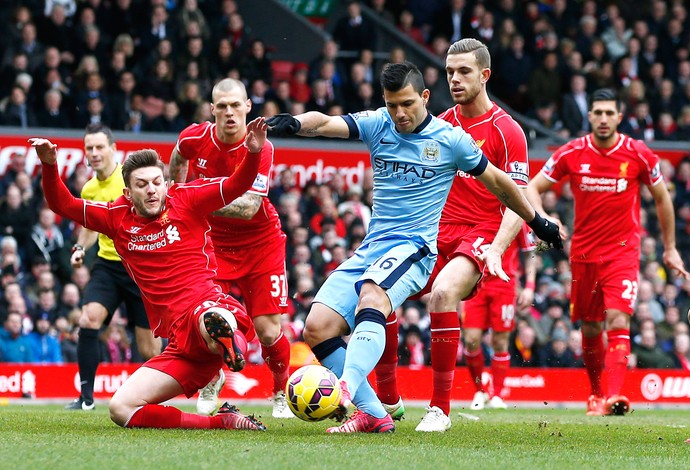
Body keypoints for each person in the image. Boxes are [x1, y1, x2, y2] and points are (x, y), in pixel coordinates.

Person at [266, 61, 561, 433]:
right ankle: (374, 414)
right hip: (373, 247)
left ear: (424, 97)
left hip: (416, 248)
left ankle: (344, 389)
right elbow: (326, 122)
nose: (400, 114)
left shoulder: (450, 139)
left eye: (407, 104)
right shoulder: (379, 123)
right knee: (317, 327)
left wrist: (538, 222)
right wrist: (294, 122)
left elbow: (500, 183)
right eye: (392, 105)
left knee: (373, 297)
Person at [29, 119, 268, 431]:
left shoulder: (186, 198)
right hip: (178, 345)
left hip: (206, 305)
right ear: (128, 192)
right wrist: (49, 165)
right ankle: (221, 421)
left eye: (157, 182)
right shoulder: (115, 217)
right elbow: (62, 203)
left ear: (166, 183)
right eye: (142, 185)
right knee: (120, 408)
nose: (152, 190)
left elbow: (237, 185)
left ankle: (229, 341)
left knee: (209, 316)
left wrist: (253, 153)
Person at [377, 38, 536, 432]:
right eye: (449, 72)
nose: (455, 78)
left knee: (444, 293)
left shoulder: (507, 131)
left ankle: (440, 409)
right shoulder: (440, 124)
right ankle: (387, 399)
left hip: (479, 233)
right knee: (379, 295)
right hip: (433, 232)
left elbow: (518, 197)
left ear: (484, 75)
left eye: (464, 71)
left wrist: (498, 248)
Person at [526, 88, 689, 417]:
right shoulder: (572, 152)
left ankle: (615, 396)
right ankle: (597, 394)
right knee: (590, 328)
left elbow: (662, 198)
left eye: (608, 113)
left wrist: (670, 248)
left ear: (618, 117)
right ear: (590, 116)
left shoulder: (638, 153)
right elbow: (531, 186)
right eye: (597, 112)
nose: (602, 118)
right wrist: (546, 217)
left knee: (617, 320)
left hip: (623, 253)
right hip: (583, 255)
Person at [168, 78, 292, 418]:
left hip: (261, 243)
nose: (229, 113)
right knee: (209, 319)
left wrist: (191, 197)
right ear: (212, 110)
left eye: (236, 106)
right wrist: (176, 187)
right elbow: (178, 156)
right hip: (213, 244)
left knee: (268, 331)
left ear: (248, 107)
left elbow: (250, 206)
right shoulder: (195, 137)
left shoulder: (261, 147)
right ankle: (212, 378)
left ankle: (281, 390)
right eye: (221, 107)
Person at [65, 124, 162, 411]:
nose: (93, 153)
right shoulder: (89, 188)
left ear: (113, 149)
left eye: (98, 147)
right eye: (89, 149)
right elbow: (90, 227)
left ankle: (153, 400)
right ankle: (85, 398)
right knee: (88, 319)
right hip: (107, 264)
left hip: (140, 267)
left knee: (148, 349)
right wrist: (81, 248)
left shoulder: (133, 180)